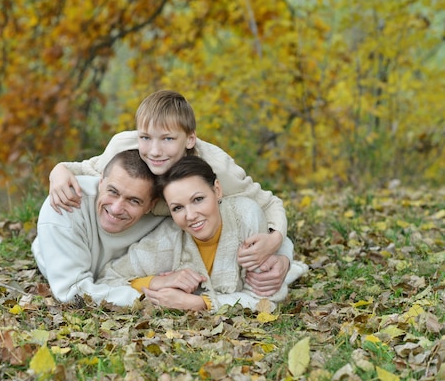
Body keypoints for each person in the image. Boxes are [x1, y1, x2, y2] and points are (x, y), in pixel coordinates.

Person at [48, 90, 291, 296]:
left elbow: (268, 205)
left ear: (189, 139)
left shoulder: (215, 168)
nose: (154, 151)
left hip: (180, 234)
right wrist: (58, 170)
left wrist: (274, 242)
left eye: (167, 139)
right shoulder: (124, 148)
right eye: (145, 137)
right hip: (134, 237)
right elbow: (87, 168)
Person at [97, 156, 308, 312]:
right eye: (178, 208)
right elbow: (108, 279)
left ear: (217, 190)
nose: (190, 216)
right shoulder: (168, 238)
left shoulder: (246, 216)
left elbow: (266, 301)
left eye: (198, 199)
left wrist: (199, 304)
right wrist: (157, 282)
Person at [32, 149, 166, 305]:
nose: (116, 209)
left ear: (152, 205)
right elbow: (71, 291)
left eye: (133, 201)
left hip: (116, 277)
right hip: (61, 259)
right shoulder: (64, 205)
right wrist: (147, 299)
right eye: (113, 192)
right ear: (100, 181)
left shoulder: (174, 214)